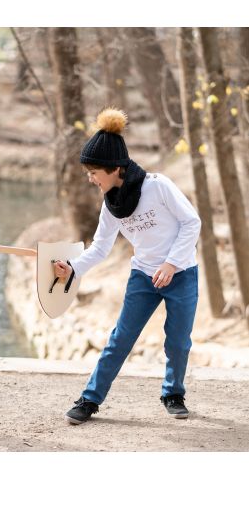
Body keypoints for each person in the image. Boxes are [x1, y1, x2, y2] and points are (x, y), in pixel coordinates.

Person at [54, 108, 201, 424]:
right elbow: (101, 247)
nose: (91, 178)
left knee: (177, 341)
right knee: (120, 339)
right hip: (143, 276)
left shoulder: (158, 186)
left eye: (94, 172)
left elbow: (192, 222)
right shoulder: (111, 205)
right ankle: (90, 400)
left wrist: (172, 264)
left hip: (182, 274)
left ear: (116, 168)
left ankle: (173, 393)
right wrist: (74, 268)